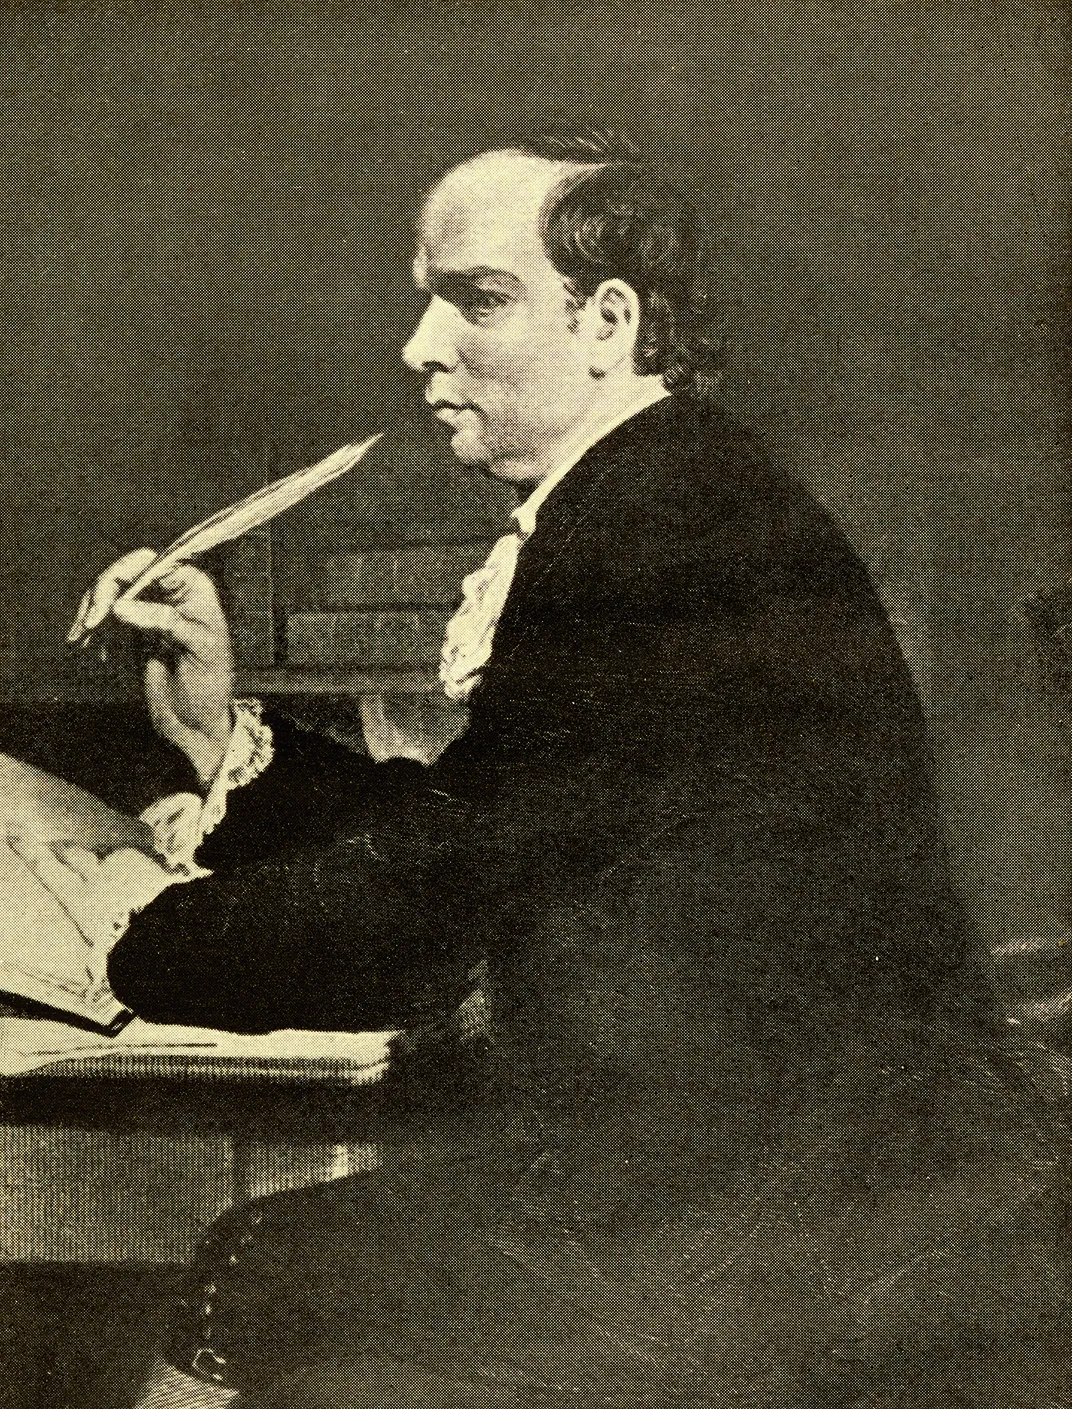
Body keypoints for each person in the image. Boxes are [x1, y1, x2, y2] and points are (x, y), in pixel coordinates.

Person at [66, 135, 1068, 1407]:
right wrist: (222, 733)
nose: (421, 346)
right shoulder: (660, 493)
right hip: (779, 1173)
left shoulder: (657, 534)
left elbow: (429, 903)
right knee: (287, 1273)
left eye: (478, 299)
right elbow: (485, 825)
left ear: (608, 322)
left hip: (814, 1213)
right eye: (427, 299)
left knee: (261, 1265)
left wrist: (128, 936)